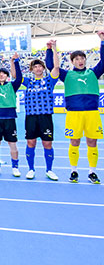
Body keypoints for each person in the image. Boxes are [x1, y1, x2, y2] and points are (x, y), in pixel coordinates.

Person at [46, 33, 104, 184]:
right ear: (72, 61)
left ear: (85, 60)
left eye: (82, 58)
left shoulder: (93, 73)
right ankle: (74, 171)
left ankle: (92, 172)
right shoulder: (67, 75)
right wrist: (50, 49)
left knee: (92, 142)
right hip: (73, 114)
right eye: (77, 59)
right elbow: (52, 66)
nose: (80, 61)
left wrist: (103, 42)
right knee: (75, 142)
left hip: (92, 113)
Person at [21, 51, 59, 180]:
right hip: (31, 117)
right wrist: (14, 61)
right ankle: (31, 169)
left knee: (47, 144)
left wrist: (53, 48)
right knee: (31, 142)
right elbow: (15, 75)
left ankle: (49, 170)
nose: (38, 68)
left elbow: (56, 67)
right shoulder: (28, 82)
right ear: (31, 70)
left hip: (45, 116)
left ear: (43, 68)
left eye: (40, 66)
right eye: (35, 67)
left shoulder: (49, 81)